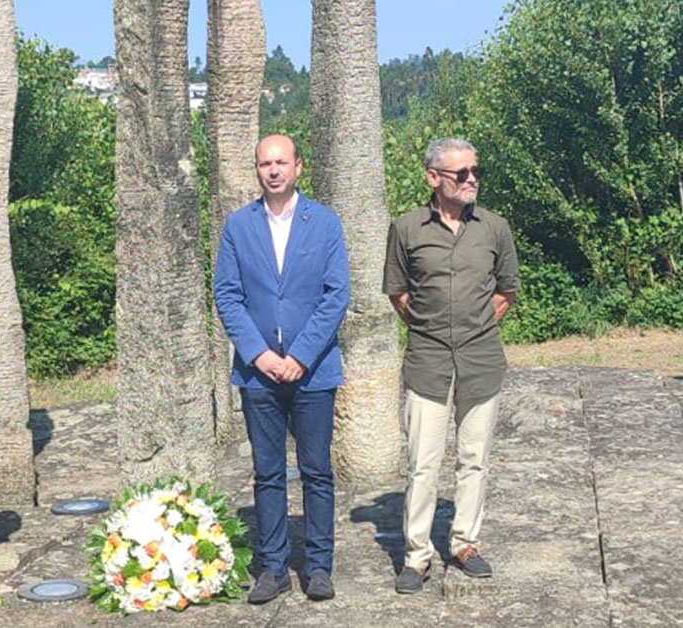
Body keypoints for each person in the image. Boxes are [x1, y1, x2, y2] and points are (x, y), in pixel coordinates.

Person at [214, 134, 350, 604]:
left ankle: (318, 566)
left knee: (317, 471)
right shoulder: (238, 226)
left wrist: (300, 356)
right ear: (257, 170)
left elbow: (336, 294)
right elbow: (227, 295)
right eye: (264, 164)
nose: (273, 170)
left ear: (298, 167)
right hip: (259, 374)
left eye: (281, 162)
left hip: (313, 371)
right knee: (267, 472)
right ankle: (273, 567)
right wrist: (259, 354)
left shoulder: (325, 223)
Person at [383, 138, 520, 594]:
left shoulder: (495, 228)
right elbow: (399, 294)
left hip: (481, 361)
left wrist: (473, 329)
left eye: (476, 171)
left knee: (474, 459)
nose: (472, 179)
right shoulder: (406, 229)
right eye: (462, 173)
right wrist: (433, 329)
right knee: (422, 464)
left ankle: (465, 544)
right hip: (428, 361)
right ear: (434, 177)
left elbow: (506, 292)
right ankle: (416, 556)